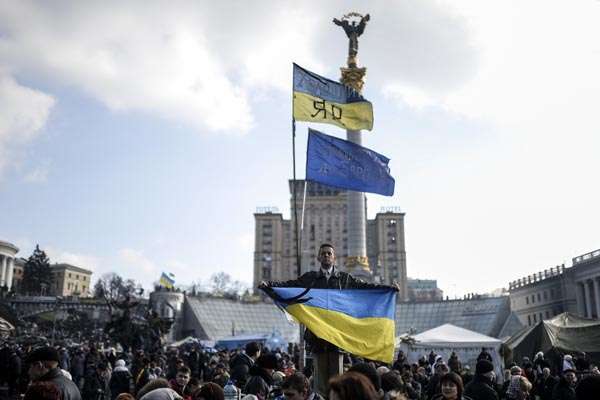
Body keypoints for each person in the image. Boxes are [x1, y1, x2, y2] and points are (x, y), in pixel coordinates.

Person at [260, 243, 397, 397]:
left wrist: (387, 289)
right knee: (319, 384)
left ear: (334, 258)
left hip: (337, 340)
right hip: (317, 338)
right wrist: (269, 286)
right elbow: (290, 286)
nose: (326, 256)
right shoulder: (310, 279)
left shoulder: (344, 279)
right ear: (319, 257)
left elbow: (364, 287)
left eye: (329, 254)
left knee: (336, 383)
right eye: (323, 253)